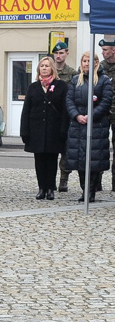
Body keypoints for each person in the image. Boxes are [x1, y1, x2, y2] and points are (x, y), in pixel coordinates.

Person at [65, 51, 113, 203]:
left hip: (96, 125)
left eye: (90, 61)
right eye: (84, 61)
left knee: (94, 160)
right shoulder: (75, 80)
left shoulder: (104, 80)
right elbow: (69, 100)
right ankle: (84, 189)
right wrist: (77, 115)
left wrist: (91, 116)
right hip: (78, 125)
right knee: (80, 160)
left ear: (96, 62)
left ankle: (91, 191)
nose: (87, 63)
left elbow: (106, 101)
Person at [20, 56, 67, 201]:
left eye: (47, 66)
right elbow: (26, 110)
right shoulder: (33, 87)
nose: (44, 68)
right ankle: (41, 188)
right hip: (37, 130)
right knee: (39, 160)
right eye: (42, 66)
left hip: (54, 129)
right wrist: (25, 131)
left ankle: (50, 188)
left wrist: (64, 130)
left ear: (52, 68)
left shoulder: (61, 86)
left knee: (52, 160)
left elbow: (65, 110)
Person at [52, 41, 79, 192]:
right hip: (51, 116)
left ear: (67, 54)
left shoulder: (72, 74)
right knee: (51, 149)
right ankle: (50, 179)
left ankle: (64, 179)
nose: (58, 56)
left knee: (66, 150)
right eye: (56, 53)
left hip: (66, 116)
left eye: (61, 53)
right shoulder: (50, 72)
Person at [99, 35, 115, 191]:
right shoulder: (100, 68)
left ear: (113, 50)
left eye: (105, 50)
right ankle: (96, 183)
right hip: (101, 114)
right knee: (99, 149)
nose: (103, 53)